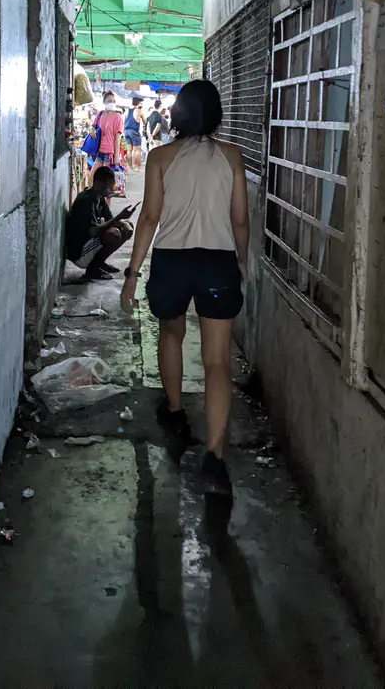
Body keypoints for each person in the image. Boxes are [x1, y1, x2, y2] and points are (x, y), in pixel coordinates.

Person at [120, 79, 249, 497]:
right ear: (215, 115)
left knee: (171, 335)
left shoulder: (160, 157)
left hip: (172, 260)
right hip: (217, 262)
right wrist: (241, 262)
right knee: (217, 362)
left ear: (177, 115)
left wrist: (132, 273)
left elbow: (150, 218)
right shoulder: (232, 157)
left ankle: (175, 411)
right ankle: (214, 457)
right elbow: (240, 220)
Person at [66, 166, 135, 280]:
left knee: (125, 226)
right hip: (79, 253)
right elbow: (93, 231)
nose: (111, 189)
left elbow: (111, 220)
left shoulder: (99, 198)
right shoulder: (85, 201)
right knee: (113, 234)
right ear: (100, 184)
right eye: (109, 186)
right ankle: (92, 269)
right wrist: (119, 218)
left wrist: (125, 223)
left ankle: (99, 262)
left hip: (89, 244)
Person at [88, 91, 123, 185]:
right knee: (91, 178)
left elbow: (117, 138)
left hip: (110, 153)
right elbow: (93, 126)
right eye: (109, 101)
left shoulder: (117, 116)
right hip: (100, 152)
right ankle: (95, 199)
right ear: (104, 102)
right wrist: (92, 130)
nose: (112, 103)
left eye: (113, 101)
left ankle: (106, 200)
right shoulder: (100, 115)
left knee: (106, 184)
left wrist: (116, 156)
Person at [124, 96, 145, 172]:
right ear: (138, 103)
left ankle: (130, 167)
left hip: (126, 131)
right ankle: (137, 167)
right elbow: (145, 121)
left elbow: (124, 121)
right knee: (137, 150)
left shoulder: (127, 110)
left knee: (129, 150)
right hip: (134, 131)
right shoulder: (139, 110)